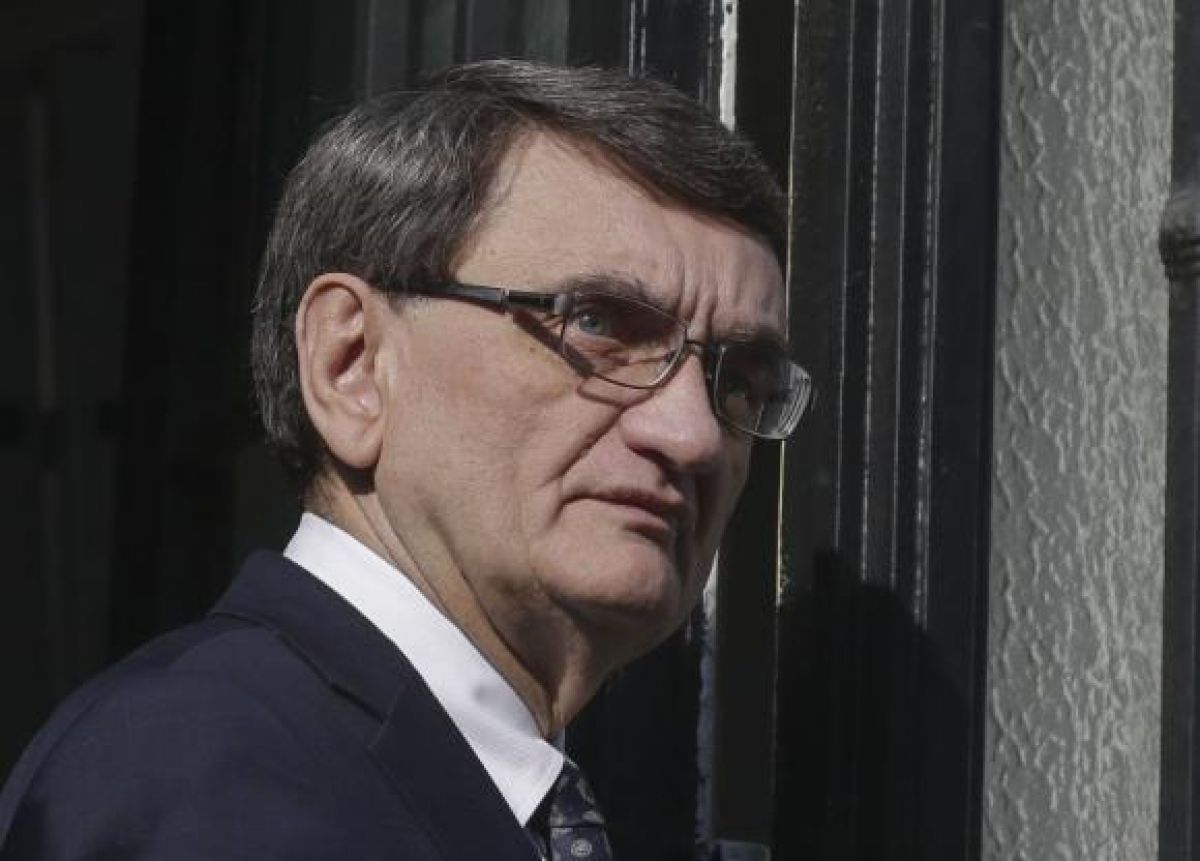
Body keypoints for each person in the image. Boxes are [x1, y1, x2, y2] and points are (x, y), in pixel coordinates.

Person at [0, 60, 811, 859]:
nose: (693, 435)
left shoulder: (434, 778)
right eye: (599, 324)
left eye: (739, 379)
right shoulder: (208, 770)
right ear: (351, 365)